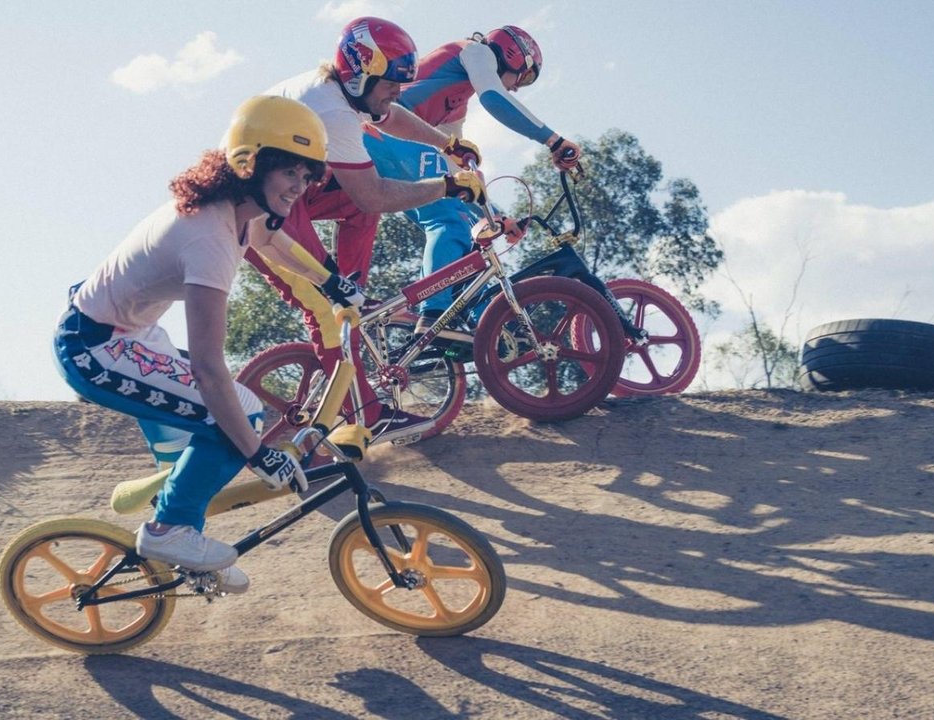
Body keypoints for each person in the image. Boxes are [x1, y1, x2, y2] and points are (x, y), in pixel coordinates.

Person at [54, 96, 342, 593]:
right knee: (238, 417)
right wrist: (260, 455)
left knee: (234, 414)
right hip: (94, 350)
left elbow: (273, 243)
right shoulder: (208, 237)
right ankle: (170, 531)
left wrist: (333, 282)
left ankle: (185, 534)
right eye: (288, 171)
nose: (300, 186)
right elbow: (209, 369)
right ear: (251, 163)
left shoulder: (241, 211)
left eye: (307, 174)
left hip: (130, 334)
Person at [246, 16, 488, 444]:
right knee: (326, 308)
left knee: (357, 210)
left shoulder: (343, 91)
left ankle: (353, 296)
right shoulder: (332, 112)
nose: (398, 91)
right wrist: (446, 185)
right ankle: (369, 415)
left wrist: (445, 143)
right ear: (360, 74)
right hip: (252, 215)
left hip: (287, 193)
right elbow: (375, 194)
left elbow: (389, 116)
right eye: (391, 82)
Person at [364, 25, 583, 340]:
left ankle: (482, 322)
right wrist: (553, 140)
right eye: (524, 77)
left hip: (392, 143)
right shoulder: (475, 51)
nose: (519, 88)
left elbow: (460, 172)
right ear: (514, 56)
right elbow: (494, 98)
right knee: (448, 221)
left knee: (467, 228)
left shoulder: (457, 100)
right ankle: (433, 316)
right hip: (386, 131)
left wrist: (493, 214)